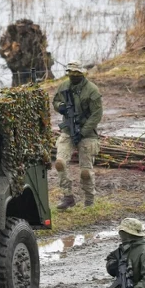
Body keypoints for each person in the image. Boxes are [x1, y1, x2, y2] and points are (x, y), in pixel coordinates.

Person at [52, 61, 103, 209]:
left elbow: (96, 115)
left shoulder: (92, 90)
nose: (73, 75)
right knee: (60, 163)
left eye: (76, 73)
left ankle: (89, 200)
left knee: (86, 171)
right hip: (68, 130)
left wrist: (83, 132)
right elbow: (56, 101)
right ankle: (68, 197)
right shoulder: (63, 86)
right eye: (70, 73)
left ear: (82, 73)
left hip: (87, 134)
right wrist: (60, 108)